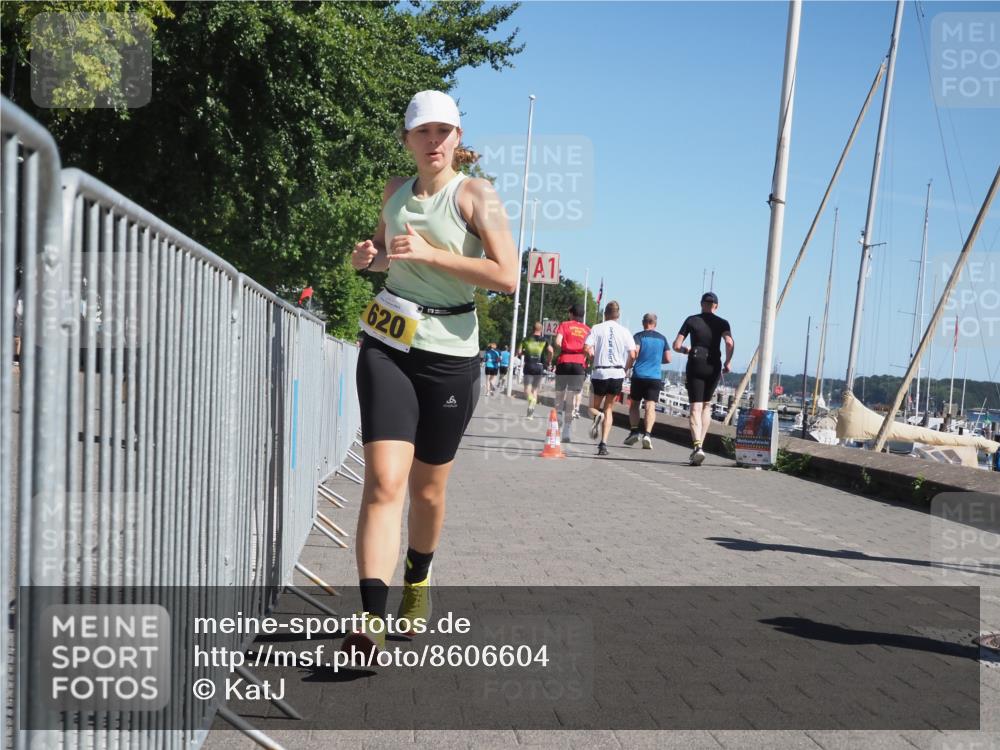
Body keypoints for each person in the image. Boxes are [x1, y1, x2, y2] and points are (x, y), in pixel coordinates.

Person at [347, 90, 517, 656]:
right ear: (407, 140)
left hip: (450, 354)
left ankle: (417, 580)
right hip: (387, 344)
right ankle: (370, 618)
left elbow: (507, 276)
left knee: (427, 490)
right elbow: (384, 250)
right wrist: (369, 259)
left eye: (445, 131)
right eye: (423, 131)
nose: (435, 140)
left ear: (458, 140)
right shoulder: (395, 192)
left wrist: (429, 254)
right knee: (384, 482)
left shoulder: (477, 195)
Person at [673, 292, 734, 466]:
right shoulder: (723, 323)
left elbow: (676, 345)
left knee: (695, 407)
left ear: (701, 304)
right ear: (716, 306)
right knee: (707, 405)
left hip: (696, 362)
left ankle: (697, 446)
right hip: (714, 365)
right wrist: (728, 362)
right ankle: (701, 445)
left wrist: (686, 350)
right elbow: (729, 342)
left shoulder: (691, 320)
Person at [584, 301, 637, 456]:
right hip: (617, 374)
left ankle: (597, 416)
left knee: (592, 408)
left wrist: (591, 356)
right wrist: (626, 368)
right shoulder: (625, 331)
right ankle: (603, 444)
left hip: (600, 372)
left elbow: (586, 348)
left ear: (605, 313)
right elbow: (633, 354)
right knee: (609, 408)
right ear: (618, 315)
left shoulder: (596, 328)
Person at [626, 313, 671, 449]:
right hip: (654, 377)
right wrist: (657, 360)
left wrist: (627, 367)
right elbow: (668, 359)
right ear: (655, 324)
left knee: (634, 404)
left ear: (643, 322)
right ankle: (647, 434)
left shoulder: (639, 336)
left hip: (639, 375)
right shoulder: (663, 338)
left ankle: (634, 431)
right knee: (650, 406)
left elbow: (635, 353)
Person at [549, 304, 590, 443]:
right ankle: (567, 430)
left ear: (572, 314)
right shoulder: (587, 329)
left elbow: (558, 342)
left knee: (560, 393)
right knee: (572, 398)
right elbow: (590, 350)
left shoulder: (565, 325)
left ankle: (559, 415)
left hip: (564, 360)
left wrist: (567, 347)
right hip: (579, 363)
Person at [517, 321, 549, 417]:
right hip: (539, 366)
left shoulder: (525, 339)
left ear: (532, 329)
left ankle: (531, 399)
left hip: (529, 365)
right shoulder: (544, 340)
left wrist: (525, 353)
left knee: (527, 389)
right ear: (541, 330)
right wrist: (548, 359)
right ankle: (530, 413)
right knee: (535, 389)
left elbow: (519, 352)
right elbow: (551, 350)